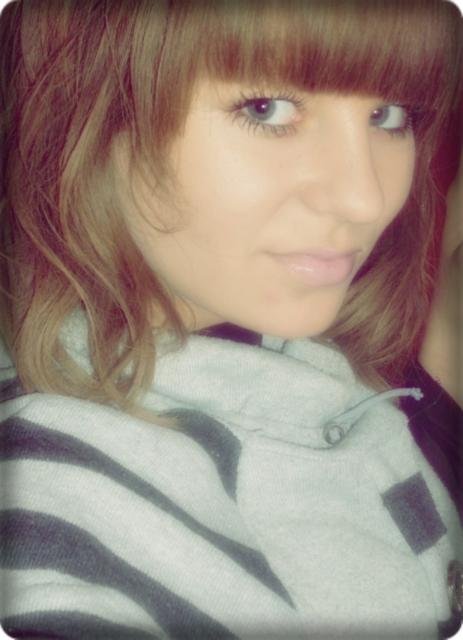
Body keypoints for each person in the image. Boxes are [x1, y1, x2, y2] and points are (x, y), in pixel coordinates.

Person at [0, 1, 462, 638]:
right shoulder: (56, 523)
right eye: (266, 109)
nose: (366, 198)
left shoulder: (268, 318)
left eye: (389, 115)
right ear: (88, 106)